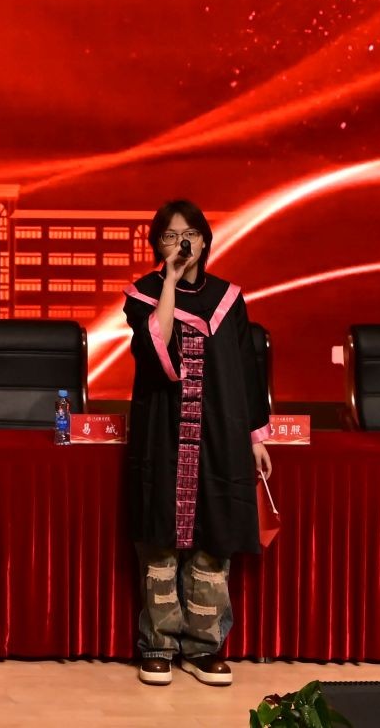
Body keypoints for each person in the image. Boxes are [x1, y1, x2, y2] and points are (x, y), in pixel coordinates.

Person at [122, 199, 271, 689]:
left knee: (214, 538)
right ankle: (159, 644)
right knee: (160, 536)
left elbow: (246, 371)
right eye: (170, 235)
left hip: (218, 434)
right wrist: (168, 280)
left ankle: (205, 646)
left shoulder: (229, 298)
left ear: (204, 240)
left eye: (189, 234)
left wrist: (254, 435)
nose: (181, 242)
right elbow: (156, 351)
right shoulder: (143, 295)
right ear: (157, 244)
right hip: (163, 432)